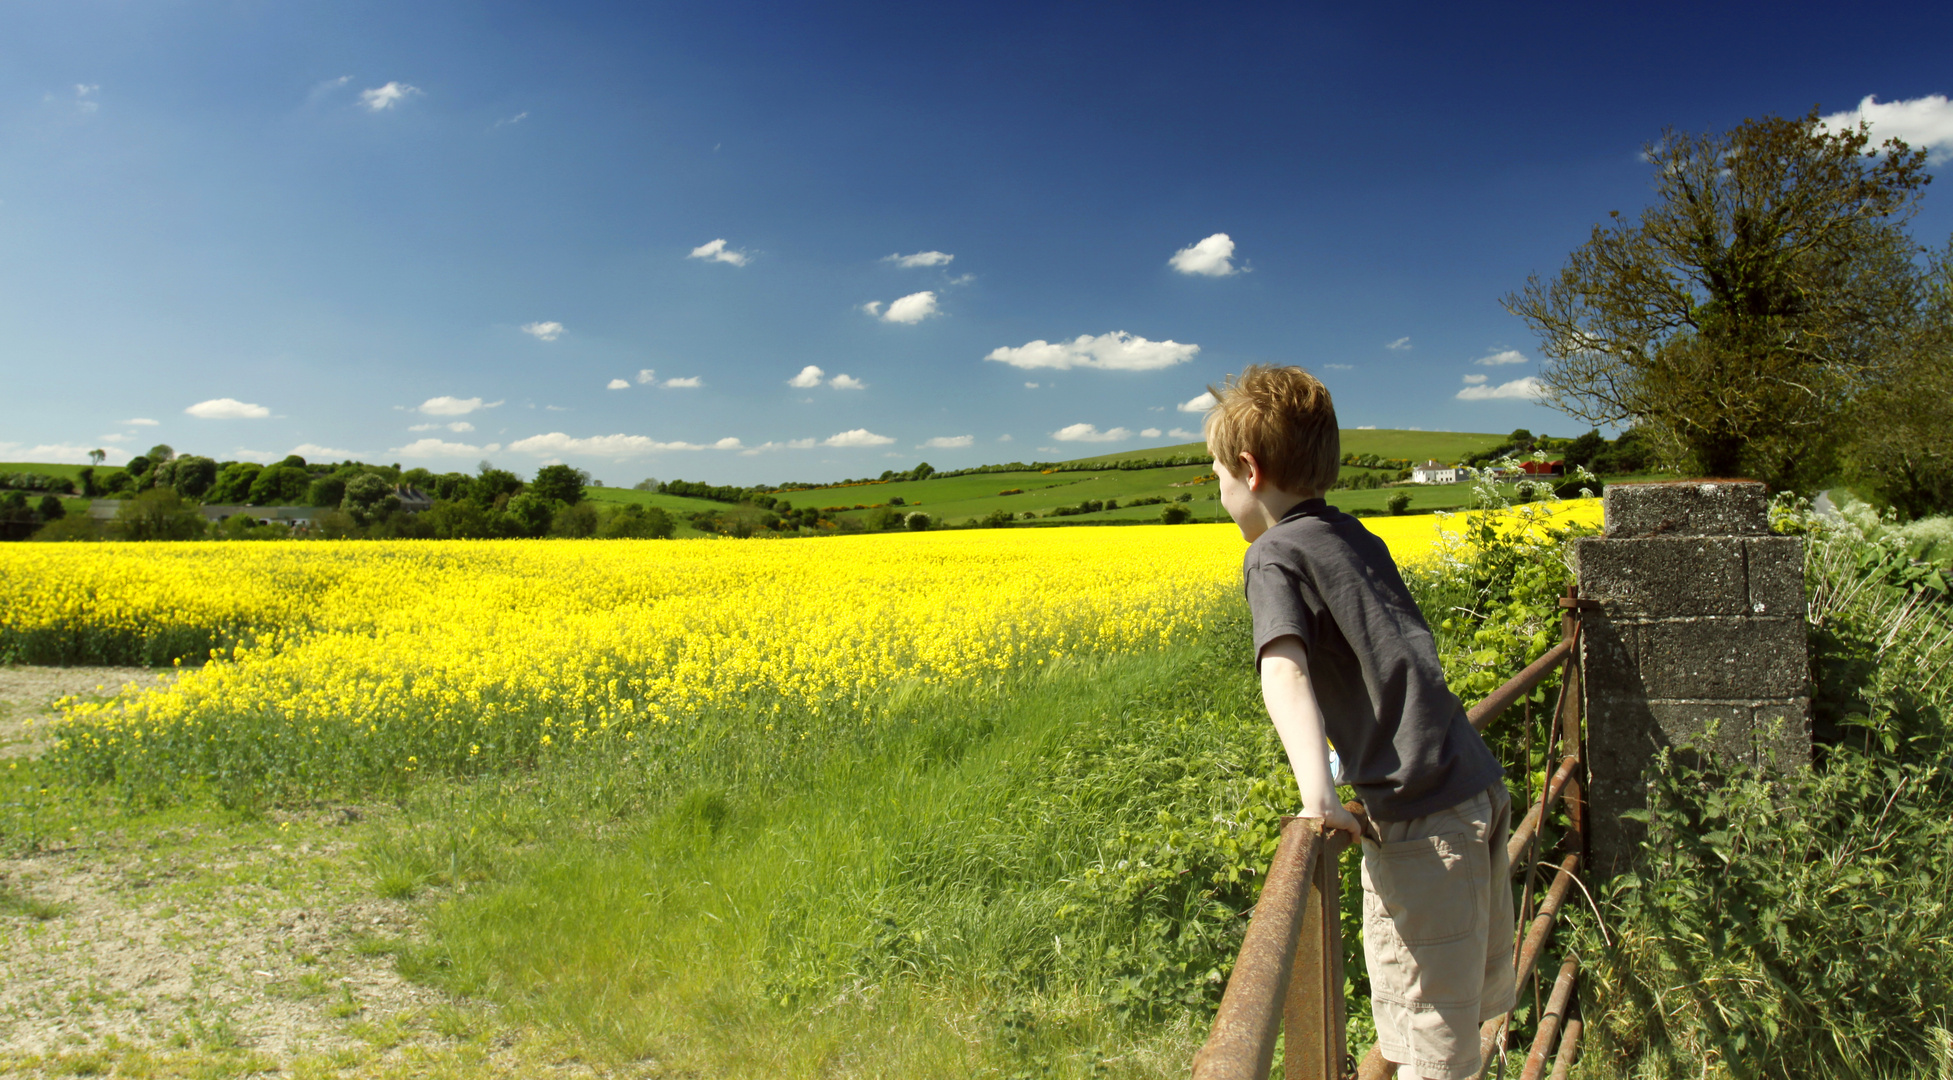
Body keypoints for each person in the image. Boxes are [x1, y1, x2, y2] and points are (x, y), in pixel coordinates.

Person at [1204, 364, 1513, 1080]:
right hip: (1471, 784)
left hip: (1421, 815)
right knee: (1445, 1008)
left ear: (1247, 471)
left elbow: (1284, 668)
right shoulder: (1352, 535)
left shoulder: (1271, 553)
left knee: (1435, 1044)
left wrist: (1318, 797)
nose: (1218, 493)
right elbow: (1380, 658)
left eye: (1215, 475)